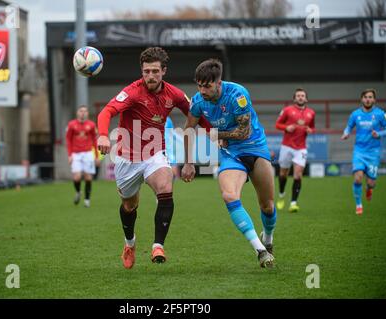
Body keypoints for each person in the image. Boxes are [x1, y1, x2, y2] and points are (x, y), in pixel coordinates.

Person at [97, 47, 210, 269]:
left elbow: (196, 115)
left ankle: (158, 245)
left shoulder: (174, 94)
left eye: (155, 71)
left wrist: (218, 134)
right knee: (129, 206)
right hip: (126, 159)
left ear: (164, 71)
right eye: (146, 71)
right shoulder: (132, 92)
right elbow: (106, 112)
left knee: (166, 187)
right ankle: (130, 243)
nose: (150, 76)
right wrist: (102, 135)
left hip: (155, 154)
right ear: (142, 70)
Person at [181, 59, 276, 268]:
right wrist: (187, 163)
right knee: (229, 195)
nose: (202, 90)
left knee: (267, 206)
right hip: (230, 153)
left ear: (219, 82)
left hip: (255, 148)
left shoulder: (238, 95)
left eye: (207, 85)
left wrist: (216, 133)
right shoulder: (198, 102)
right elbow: (188, 129)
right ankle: (260, 250)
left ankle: (268, 239)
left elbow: (243, 132)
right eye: (199, 85)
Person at [341, 89, 386, 215]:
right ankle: (358, 205)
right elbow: (349, 126)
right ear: (362, 99)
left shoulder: (380, 114)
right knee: (358, 178)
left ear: (374, 100)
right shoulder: (355, 114)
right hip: (359, 151)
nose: (368, 99)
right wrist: (346, 133)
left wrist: (379, 134)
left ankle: (369, 189)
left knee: (371, 182)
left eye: (370, 97)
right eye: (366, 97)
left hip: (373, 152)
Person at [275, 88, 315, 213]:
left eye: (302, 95)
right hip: (286, 146)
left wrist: (310, 130)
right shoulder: (287, 110)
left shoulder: (311, 113)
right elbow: (277, 125)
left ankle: (293, 203)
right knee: (283, 174)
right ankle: (281, 195)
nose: (300, 97)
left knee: (298, 175)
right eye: (298, 95)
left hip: (301, 148)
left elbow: (312, 127)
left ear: (306, 98)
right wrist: (287, 127)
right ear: (294, 98)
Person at [66, 106, 99, 208]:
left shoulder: (91, 125)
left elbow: (94, 140)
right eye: (81, 111)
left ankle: (87, 200)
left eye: (85, 111)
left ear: (87, 113)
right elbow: (68, 140)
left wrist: (96, 156)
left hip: (88, 153)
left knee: (88, 178)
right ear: (77, 113)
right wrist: (70, 155)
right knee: (76, 177)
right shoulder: (71, 125)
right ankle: (78, 192)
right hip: (76, 154)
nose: (83, 113)